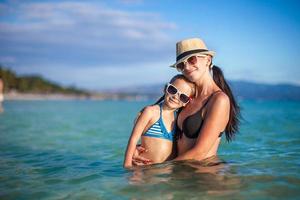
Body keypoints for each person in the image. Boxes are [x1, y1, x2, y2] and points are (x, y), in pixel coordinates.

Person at [132, 38, 240, 165]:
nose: (187, 67)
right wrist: (140, 149)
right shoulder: (184, 97)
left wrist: (162, 169)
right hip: (181, 176)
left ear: (208, 60)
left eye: (192, 59)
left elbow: (200, 152)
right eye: (181, 65)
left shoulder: (218, 100)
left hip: (204, 178)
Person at [124, 75, 195, 168]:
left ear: (186, 102)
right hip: (146, 171)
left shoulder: (178, 118)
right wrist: (128, 166)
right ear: (166, 88)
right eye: (173, 90)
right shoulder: (150, 111)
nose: (175, 97)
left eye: (183, 97)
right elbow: (133, 139)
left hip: (167, 176)